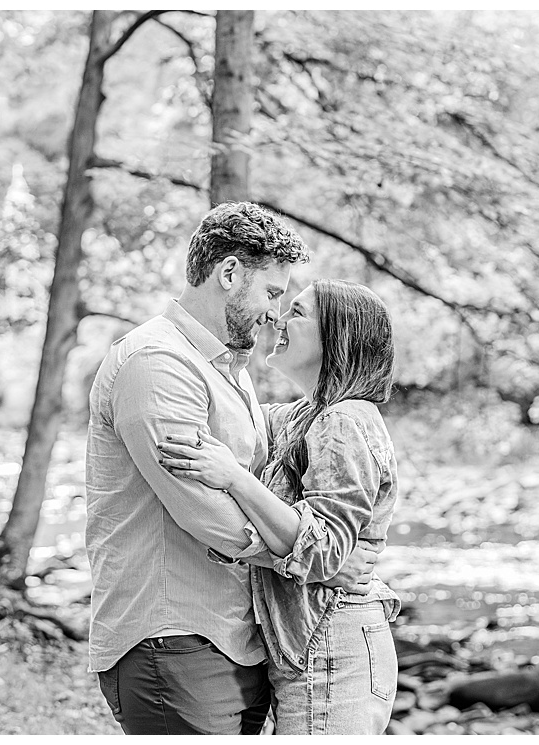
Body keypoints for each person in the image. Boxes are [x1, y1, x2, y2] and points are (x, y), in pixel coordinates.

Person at [84, 203, 381, 735]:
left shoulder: (231, 372)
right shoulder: (158, 363)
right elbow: (209, 516)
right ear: (228, 274)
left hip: (236, 640)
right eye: (272, 293)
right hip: (174, 636)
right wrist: (316, 561)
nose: (274, 314)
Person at [158, 278, 402, 735]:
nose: (277, 318)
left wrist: (233, 476)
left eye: (298, 313)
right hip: (313, 642)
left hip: (334, 644)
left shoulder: (344, 421)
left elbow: (325, 553)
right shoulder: (299, 416)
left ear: (337, 336)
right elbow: (232, 412)